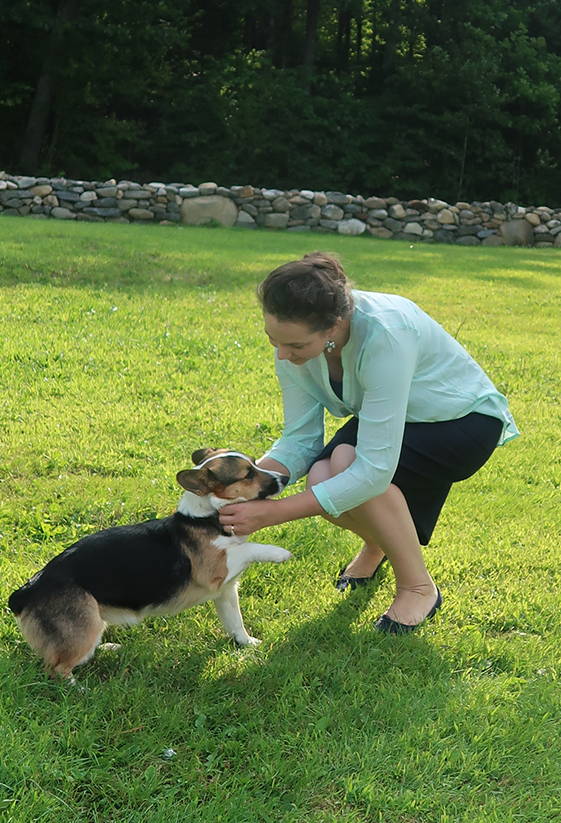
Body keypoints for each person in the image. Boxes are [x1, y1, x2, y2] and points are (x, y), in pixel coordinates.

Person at [218, 252, 518, 634]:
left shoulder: (386, 333)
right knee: (321, 475)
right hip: (397, 417)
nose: (281, 354)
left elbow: (374, 471)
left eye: (294, 345)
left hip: (461, 424)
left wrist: (274, 513)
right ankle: (378, 544)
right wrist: (248, 487)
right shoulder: (292, 344)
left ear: (334, 326)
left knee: (347, 465)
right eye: (272, 339)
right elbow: (300, 439)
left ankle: (418, 587)